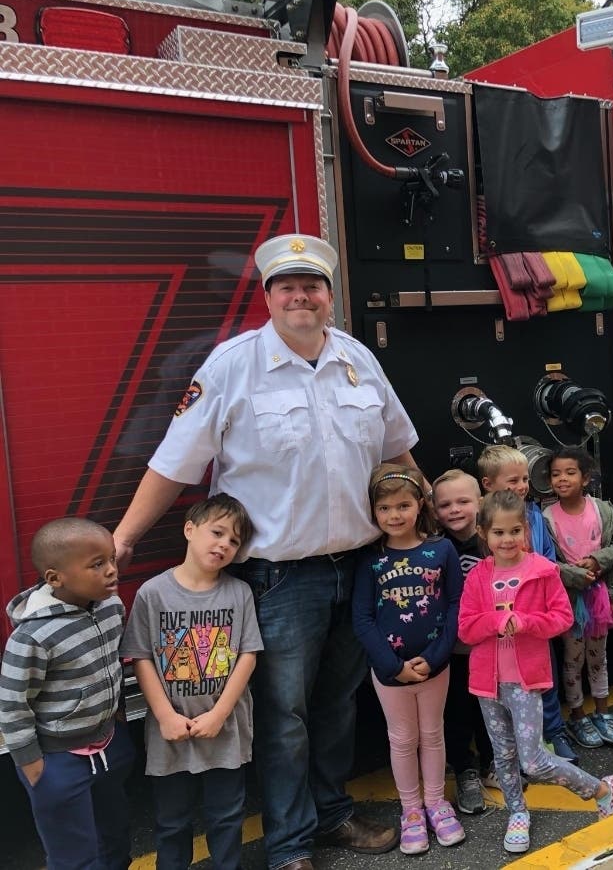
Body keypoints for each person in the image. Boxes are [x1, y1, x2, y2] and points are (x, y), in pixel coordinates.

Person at [113, 233, 416, 870]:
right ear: (268, 295)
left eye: (313, 285)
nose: (301, 295)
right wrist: (124, 539)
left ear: (330, 295)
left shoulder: (358, 358)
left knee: (337, 705)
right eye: (287, 285)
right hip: (280, 578)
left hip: (358, 565)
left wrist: (431, 520)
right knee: (285, 718)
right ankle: (288, 846)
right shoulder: (231, 366)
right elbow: (174, 464)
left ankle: (330, 816)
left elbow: (396, 450)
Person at [457, 490, 613, 854]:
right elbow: (466, 628)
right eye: (499, 533)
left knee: (532, 759)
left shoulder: (543, 571)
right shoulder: (477, 578)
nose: (507, 540)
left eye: (515, 531)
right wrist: (498, 619)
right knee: (502, 756)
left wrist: (527, 622)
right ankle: (518, 813)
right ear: (483, 534)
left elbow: (562, 618)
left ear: (526, 532)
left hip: (526, 680)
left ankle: (600, 789)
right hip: (487, 683)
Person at [121, 494, 262, 870]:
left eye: (234, 541)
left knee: (227, 817)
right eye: (217, 532)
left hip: (226, 729)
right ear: (189, 529)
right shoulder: (153, 594)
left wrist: (219, 714)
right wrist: (165, 715)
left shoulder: (239, 592)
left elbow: (248, 655)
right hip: (170, 734)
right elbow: (141, 657)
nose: (224, 545)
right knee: (172, 822)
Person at [0, 517, 133, 870]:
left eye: (111, 560)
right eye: (96, 564)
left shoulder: (111, 607)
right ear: (54, 578)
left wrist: (118, 718)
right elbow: (13, 704)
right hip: (58, 759)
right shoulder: (32, 637)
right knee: (75, 856)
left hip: (108, 745)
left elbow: (113, 663)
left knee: (115, 836)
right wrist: (32, 765)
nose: (110, 571)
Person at [352, 465, 465, 855]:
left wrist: (435, 658)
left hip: (434, 664)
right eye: (384, 508)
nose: (394, 515)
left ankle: (436, 803)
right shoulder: (371, 558)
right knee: (402, 739)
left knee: (433, 733)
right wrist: (392, 665)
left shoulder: (442, 549)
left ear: (420, 505)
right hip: (390, 670)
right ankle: (411, 811)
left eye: (403, 505)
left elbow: (454, 605)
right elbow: (362, 618)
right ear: (373, 511)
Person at [477, 444, 577, 766]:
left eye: (524, 479)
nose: (522, 486)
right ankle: (520, 747)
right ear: (488, 484)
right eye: (513, 481)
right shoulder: (485, 520)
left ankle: (554, 731)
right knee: (505, 691)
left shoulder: (532, 513)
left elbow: (546, 558)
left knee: (543, 678)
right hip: (500, 625)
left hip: (534, 615)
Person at [542, 447, 613, 749]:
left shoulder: (602, 509)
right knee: (572, 658)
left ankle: (602, 714)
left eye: (570, 472)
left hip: (600, 598)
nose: (562, 479)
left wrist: (596, 560)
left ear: (585, 477)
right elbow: (547, 561)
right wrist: (571, 574)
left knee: (598, 657)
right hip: (570, 601)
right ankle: (578, 715)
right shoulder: (547, 518)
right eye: (556, 474)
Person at [431, 468, 491, 816]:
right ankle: (465, 770)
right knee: (456, 713)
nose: (454, 510)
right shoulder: (433, 548)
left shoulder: (492, 542)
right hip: (451, 649)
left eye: (463, 501)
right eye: (445, 504)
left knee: (490, 709)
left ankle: (492, 760)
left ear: (480, 502)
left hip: (487, 646)